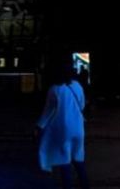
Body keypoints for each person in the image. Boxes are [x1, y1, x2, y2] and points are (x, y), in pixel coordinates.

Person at [36, 58, 90, 189]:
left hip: (63, 129)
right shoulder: (77, 86)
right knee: (78, 158)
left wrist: (39, 126)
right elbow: (82, 105)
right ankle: (85, 185)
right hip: (78, 128)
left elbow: (48, 111)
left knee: (64, 159)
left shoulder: (54, 89)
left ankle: (67, 185)